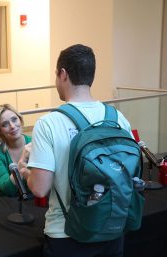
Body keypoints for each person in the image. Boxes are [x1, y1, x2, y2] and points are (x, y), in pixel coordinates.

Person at [26, 44, 133, 257]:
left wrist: (25, 171)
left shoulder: (49, 123)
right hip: (112, 229)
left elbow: (39, 188)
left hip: (66, 234)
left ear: (63, 74)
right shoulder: (117, 118)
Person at [0, 104, 32, 200]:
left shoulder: (34, 142)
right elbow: (8, 190)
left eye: (14, 119)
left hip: (27, 199)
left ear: (20, 120)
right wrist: (22, 161)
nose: (12, 126)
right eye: (5, 124)